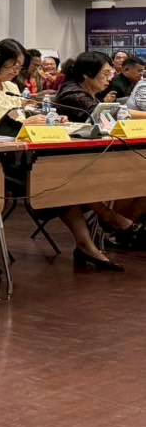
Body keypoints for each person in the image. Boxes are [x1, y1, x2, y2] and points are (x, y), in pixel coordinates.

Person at [47, 52, 137, 270]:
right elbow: (106, 118)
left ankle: (110, 227)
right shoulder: (73, 94)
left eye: (111, 73)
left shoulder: (87, 92)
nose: (110, 78)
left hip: (81, 162)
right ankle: (110, 223)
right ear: (87, 74)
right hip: (55, 167)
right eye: (105, 74)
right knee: (68, 183)